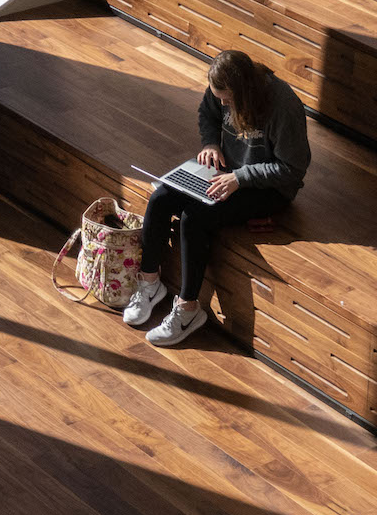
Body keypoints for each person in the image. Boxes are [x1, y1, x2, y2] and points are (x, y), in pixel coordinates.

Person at [124, 49, 311, 348]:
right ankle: (150, 284)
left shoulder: (283, 106)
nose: (222, 104)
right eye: (219, 98)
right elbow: (207, 113)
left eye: (227, 100)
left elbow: (292, 169)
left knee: (194, 219)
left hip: (268, 189)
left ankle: (188, 310)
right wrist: (211, 143)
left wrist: (240, 178)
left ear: (244, 91)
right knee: (160, 198)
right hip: (231, 171)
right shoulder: (222, 89)